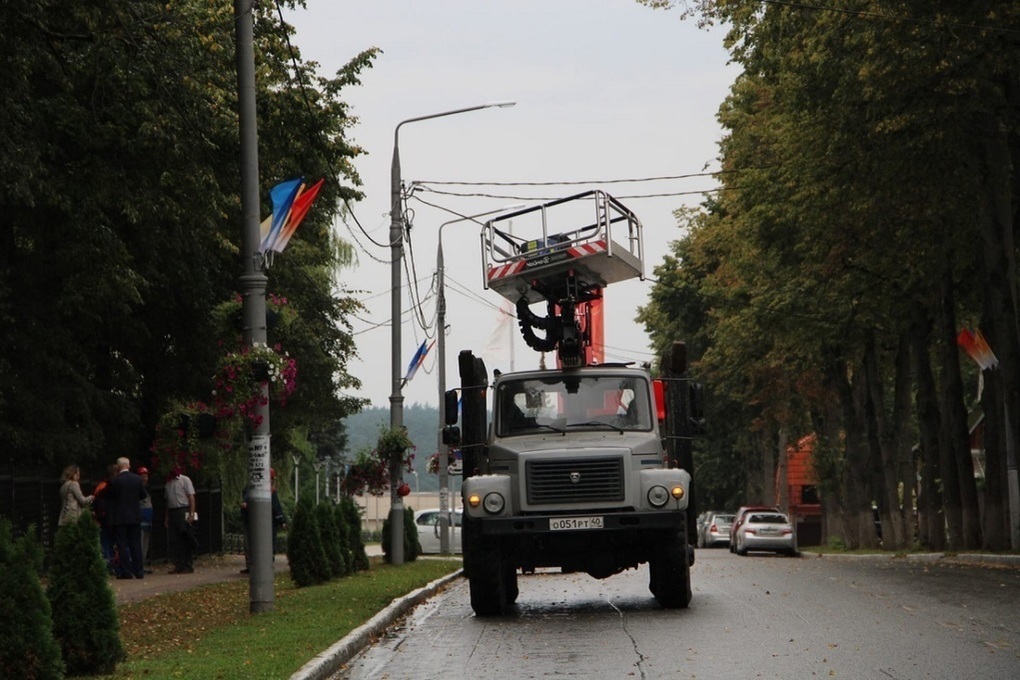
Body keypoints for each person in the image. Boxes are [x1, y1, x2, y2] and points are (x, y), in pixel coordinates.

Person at [239, 468, 288, 574]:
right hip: (255, 521)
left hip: (265, 522)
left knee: (263, 543)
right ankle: (253, 565)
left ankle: (263, 564)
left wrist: (281, 520)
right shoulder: (251, 489)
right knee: (253, 544)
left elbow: (275, 507)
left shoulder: (267, 491)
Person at [106, 457, 148, 580]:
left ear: (118, 467)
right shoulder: (137, 479)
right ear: (128, 466)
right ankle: (139, 571)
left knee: (122, 544)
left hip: (120, 517)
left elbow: (109, 495)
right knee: (135, 543)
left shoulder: (116, 481)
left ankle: (126, 571)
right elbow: (143, 495)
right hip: (135, 515)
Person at [164, 466, 197, 574]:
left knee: (185, 537)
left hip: (182, 509)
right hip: (173, 511)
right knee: (174, 540)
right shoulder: (168, 483)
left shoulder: (184, 480)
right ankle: (178, 564)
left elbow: (191, 497)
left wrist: (191, 513)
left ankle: (187, 564)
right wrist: (167, 516)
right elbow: (167, 501)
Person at [92, 463, 120, 574]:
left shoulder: (101, 486)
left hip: (104, 519)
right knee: (110, 543)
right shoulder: (109, 486)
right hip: (109, 519)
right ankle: (110, 566)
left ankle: (108, 564)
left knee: (106, 543)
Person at [137, 466, 153, 572]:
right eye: (142, 476)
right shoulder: (137, 489)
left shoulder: (147, 489)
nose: (144, 478)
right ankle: (138, 566)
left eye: (146, 476)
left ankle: (142, 564)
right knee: (140, 543)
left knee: (145, 544)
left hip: (148, 520)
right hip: (141, 520)